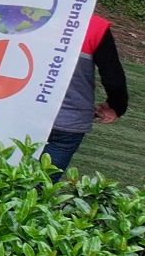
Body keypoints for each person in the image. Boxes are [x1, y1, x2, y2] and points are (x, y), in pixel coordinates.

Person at [44, 15, 128, 176]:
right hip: (68, 119)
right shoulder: (94, 26)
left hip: (19, 111)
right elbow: (113, 78)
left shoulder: (20, 15)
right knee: (42, 187)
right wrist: (116, 106)